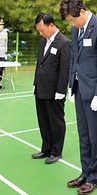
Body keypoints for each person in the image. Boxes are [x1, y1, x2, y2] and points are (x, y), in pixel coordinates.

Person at [60, 0, 97, 195]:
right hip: (80, 89)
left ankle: (94, 177)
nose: (72, 23)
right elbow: (74, 57)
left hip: (96, 92)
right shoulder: (76, 30)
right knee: (83, 134)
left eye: (73, 19)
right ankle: (85, 171)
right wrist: (71, 86)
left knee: (95, 135)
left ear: (82, 11)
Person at [32, 13, 70, 164]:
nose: (41, 33)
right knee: (43, 121)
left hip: (54, 92)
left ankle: (56, 151)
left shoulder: (64, 43)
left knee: (56, 122)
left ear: (51, 25)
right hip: (41, 88)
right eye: (39, 31)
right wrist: (35, 82)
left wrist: (61, 91)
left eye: (42, 30)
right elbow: (39, 64)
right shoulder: (43, 41)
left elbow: (65, 69)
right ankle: (46, 148)